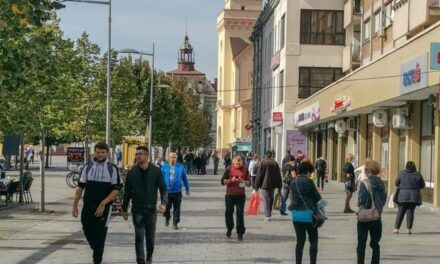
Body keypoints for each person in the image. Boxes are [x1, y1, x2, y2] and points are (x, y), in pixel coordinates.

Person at [72, 142, 122, 264]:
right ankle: (97, 250)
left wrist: (104, 203)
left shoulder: (112, 169)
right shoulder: (87, 167)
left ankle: (97, 259)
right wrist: (74, 205)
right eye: (98, 152)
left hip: (104, 208)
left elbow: (116, 190)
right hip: (88, 206)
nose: (100, 155)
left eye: (103, 152)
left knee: (100, 235)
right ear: (94, 152)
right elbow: (80, 188)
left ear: (107, 154)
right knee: (86, 227)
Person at [122, 146, 168, 264]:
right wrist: (124, 209)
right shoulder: (132, 172)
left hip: (151, 210)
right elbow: (127, 192)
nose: (137, 156)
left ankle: (149, 256)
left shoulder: (156, 171)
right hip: (137, 209)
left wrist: (163, 203)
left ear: (147, 156)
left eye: (140, 154)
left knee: (150, 237)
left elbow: (163, 189)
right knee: (139, 236)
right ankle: (141, 261)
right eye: (136, 154)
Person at [289, 161, 321, 264]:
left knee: (300, 241)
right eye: (310, 172)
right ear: (307, 171)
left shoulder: (294, 182)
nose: (310, 174)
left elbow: (292, 198)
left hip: (296, 215)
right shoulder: (309, 182)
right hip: (309, 215)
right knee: (313, 240)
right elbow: (317, 198)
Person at [357, 160, 387, 264]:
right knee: (375, 244)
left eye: (365, 169)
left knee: (361, 244)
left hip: (365, 217)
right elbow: (383, 200)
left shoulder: (364, 182)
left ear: (368, 170)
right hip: (377, 217)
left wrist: (360, 206)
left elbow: (362, 199)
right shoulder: (382, 184)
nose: (364, 171)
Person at [221, 155, 251, 241]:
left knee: (240, 213)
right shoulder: (229, 169)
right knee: (229, 212)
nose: (237, 166)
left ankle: (240, 232)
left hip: (240, 195)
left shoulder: (245, 169)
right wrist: (231, 180)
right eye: (236, 164)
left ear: (242, 162)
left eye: (239, 164)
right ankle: (229, 228)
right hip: (230, 195)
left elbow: (249, 184)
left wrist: (243, 181)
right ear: (233, 162)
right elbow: (222, 181)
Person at [393, 161, 425, 235]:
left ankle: (396, 229)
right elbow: (423, 185)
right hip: (413, 196)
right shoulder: (418, 174)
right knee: (410, 212)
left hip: (402, 196)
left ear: (406, 166)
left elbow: (396, 183)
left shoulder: (402, 173)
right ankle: (408, 229)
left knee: (400, 212)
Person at [161, 152, 190, 230]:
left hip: (177, 192)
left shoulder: (180, 167)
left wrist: (187, 188)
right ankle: (167, 217)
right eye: (172, 157)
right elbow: (159, 178)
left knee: (177, 209)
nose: (173, 159)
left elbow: (184, 178)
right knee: (166, 208)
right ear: (168, 158)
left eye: (175, 157)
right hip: (167, 192)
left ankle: (175, 223)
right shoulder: (165, 167)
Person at [255, 150, 282, 221]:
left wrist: (256, 187)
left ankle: (267, 215)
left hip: (264, 185)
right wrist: (279, 187)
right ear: (271, 155)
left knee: (265, 199)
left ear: (265, 155)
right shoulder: (275, 163)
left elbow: (258, 175)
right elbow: (278, 176)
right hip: (272, 185)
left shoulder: (262, 162)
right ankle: (269, 213)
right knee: (271, 199)